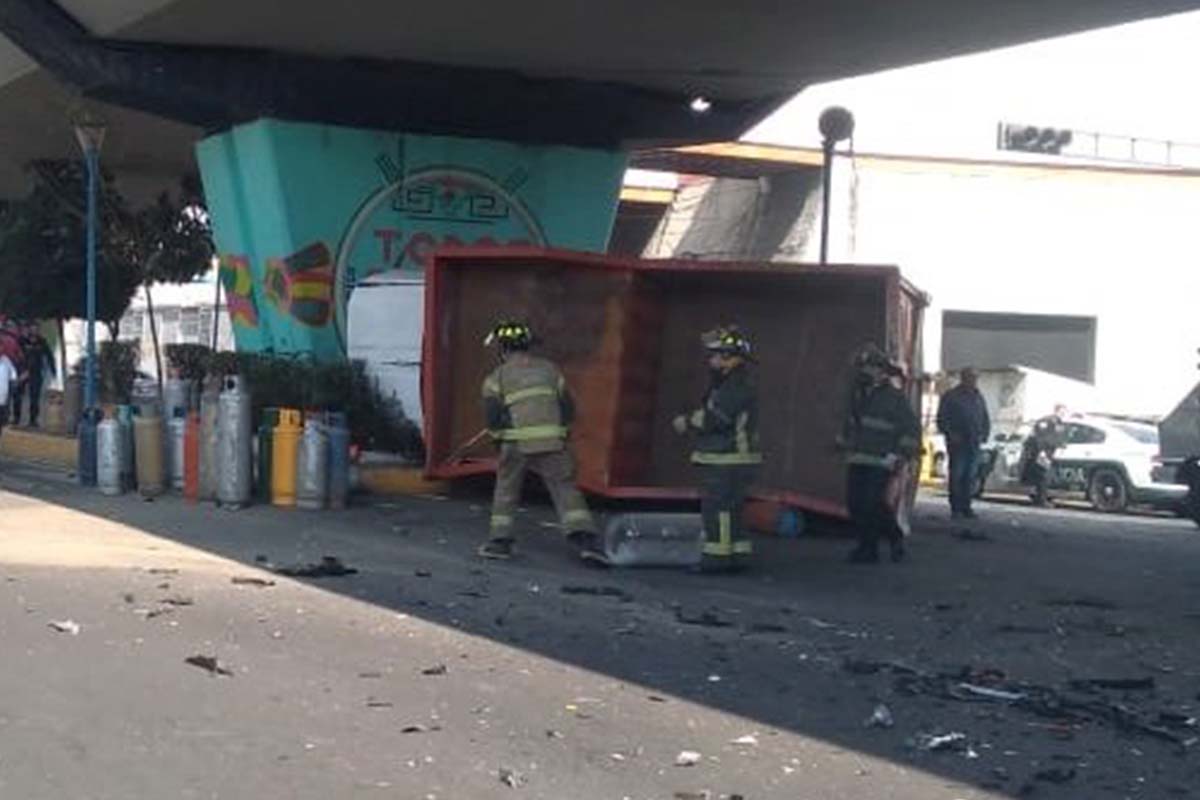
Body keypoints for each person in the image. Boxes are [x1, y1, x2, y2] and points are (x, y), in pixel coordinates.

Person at [478, 319, 606, 565]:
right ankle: (586, 541)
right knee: (565, 488)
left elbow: (493, 416)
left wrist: (498, 439)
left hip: (515, 443)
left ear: (503, 349)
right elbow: (567, 406)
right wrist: (562, 431)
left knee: (506, 490)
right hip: (552, 441)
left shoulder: (497, 377)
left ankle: (499, 543)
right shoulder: (549, 370)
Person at [672, 325, 761, 574]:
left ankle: (717, 559)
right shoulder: (732, 383)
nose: (710, 361)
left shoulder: (735, 386)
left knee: (718, 509)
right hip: (733, 458)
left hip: (726, 458)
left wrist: (686, 422)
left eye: (715, 355)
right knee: (732, 509)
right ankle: (738, 555)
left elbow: (716, 419)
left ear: (730, 358)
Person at [839, 343, 921, 564]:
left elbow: (911, 429)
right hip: (858, 457)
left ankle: (869, 548)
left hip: (881, 459)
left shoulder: (894, 398)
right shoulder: (856, 394)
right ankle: (892, 536)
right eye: (862, 368)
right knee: (855, 503)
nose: (863, 372)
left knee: (871, 502)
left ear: (880, 371)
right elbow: (851, 423)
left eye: (868, 368)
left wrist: (899, 454)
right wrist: (844, 441)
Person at [936, 367, 991, 519]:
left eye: (975, 378)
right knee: (957, 475)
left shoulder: (978, 396)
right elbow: (942, 419)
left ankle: (967, 507)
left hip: (974, 442)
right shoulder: (952, 396)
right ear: (963, 378)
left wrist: (985, 434)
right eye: (971, 377)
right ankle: (956, 508)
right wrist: (951, 434)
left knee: (970, 476)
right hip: (958, 442)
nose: (973, 381)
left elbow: (984, 417)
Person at [1020, 405, 1066, 506]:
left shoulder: (1059, 422)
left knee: (1046, 476)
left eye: (1064, 412)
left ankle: (1040, 498)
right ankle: (1041, 500)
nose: (1063, 414)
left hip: (1051, 452)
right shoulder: (1046, 421)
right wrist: (1042, 451)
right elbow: (1040, 437)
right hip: (1042, 451)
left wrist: (1062, 446)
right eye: (1062, 411)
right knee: (1043, 476)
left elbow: (1059, 437)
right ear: (1056, 411)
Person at [12, 324, 53, 428]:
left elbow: (49, 356)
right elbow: (16, 353)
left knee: (34, 396)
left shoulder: (42, 342)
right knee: (17, 394)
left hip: (36, 372)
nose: (34, 331)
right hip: (23, 371)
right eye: (32, 328)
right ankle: (16, 418)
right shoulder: (22, 341)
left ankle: (33, 420)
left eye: (36, 329)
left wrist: (53, 371)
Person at [0, 351, 19, 440]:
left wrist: (13, 383)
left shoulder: (6, 361)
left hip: (3, 394)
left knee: (2, 419)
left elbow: (13, 374)